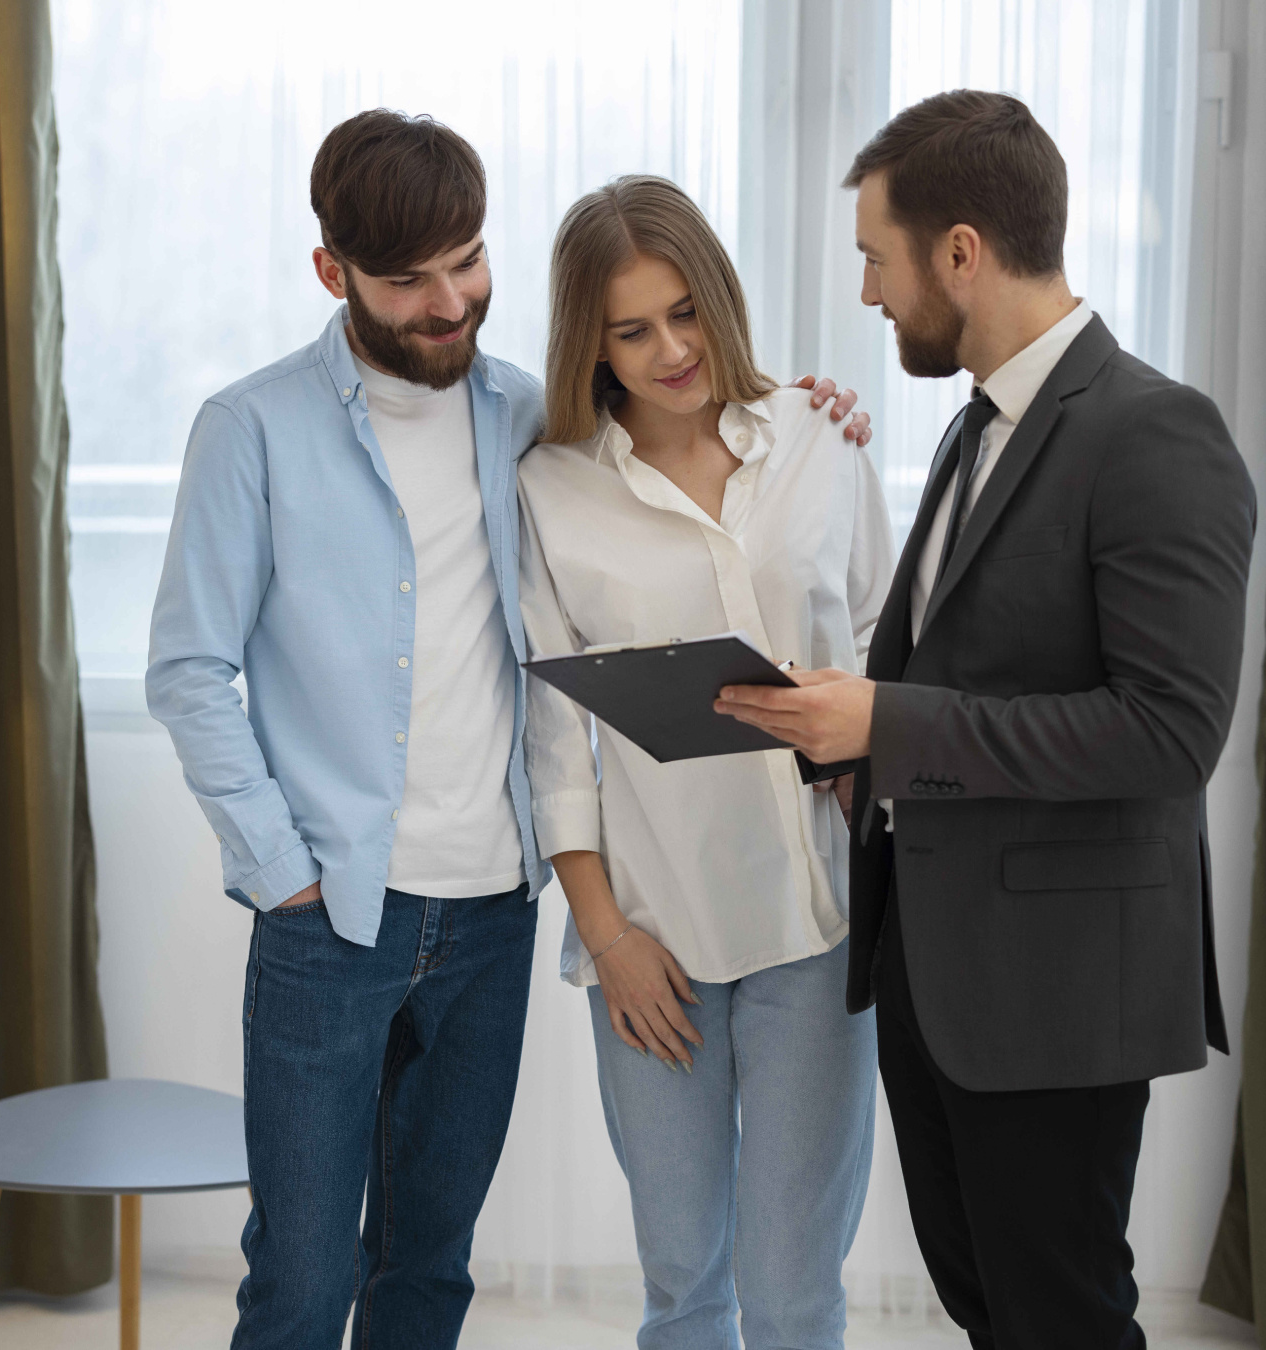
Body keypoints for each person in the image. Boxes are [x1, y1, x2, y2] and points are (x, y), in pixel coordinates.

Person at [147, 110, 870, 1349]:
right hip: (336, 918)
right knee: (305, 1279)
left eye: (467, 262)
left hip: (490, 916)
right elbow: (187, 669)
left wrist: (821, 410)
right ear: (334, 275)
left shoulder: (528, 421)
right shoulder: (258, 430)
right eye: (406, 278)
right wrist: (285, 875)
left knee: (431, 1268)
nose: (447, 301)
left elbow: (807, 617)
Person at [713, 90, 1255, 1347]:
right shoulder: (974, 427)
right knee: (987, 1306)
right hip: (937, 970)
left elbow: (1171, 730)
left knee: (1058, 1314)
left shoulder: (1156, 433)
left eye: (874, 258)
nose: (866, 294)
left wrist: (890, 725)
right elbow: (968, 672)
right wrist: (850, 749)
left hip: (1057, 994)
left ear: (961, 250)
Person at [518, 174, 892, 1348]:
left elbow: (887, 643)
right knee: (685, 1289)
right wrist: (609, 940)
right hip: (654, 937)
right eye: (631, 329)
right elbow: (553, 742)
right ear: (591, 340)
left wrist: (860, 745)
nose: (671, 349)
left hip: (818, 920)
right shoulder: (549, 488)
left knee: (791, 1293)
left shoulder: (821, 438)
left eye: (687, 311)